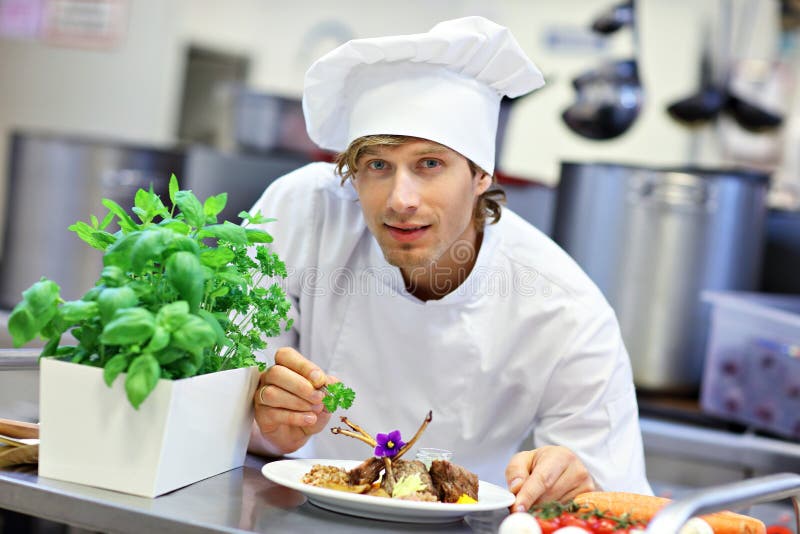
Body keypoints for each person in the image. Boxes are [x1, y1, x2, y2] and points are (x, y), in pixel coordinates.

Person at [247, 16, 652, 511]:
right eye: (377, 165)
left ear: (481, 174)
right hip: (299, 512)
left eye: (430, 164)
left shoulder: (566, 312)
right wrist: (265, 421)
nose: (401, 199)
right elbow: (223, 405)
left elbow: (614, 502)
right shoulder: (304, 213)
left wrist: (570, 484)